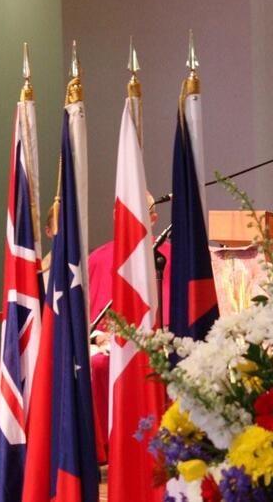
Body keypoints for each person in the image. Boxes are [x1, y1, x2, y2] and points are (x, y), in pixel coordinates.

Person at [87, 192, 171, 462]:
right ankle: (111, 450)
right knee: (98, 365)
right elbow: (88, 319)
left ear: (154, 218)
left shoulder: (169, 256)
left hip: (159, 341)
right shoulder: (98, 258)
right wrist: (98, 336)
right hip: (109, 346)